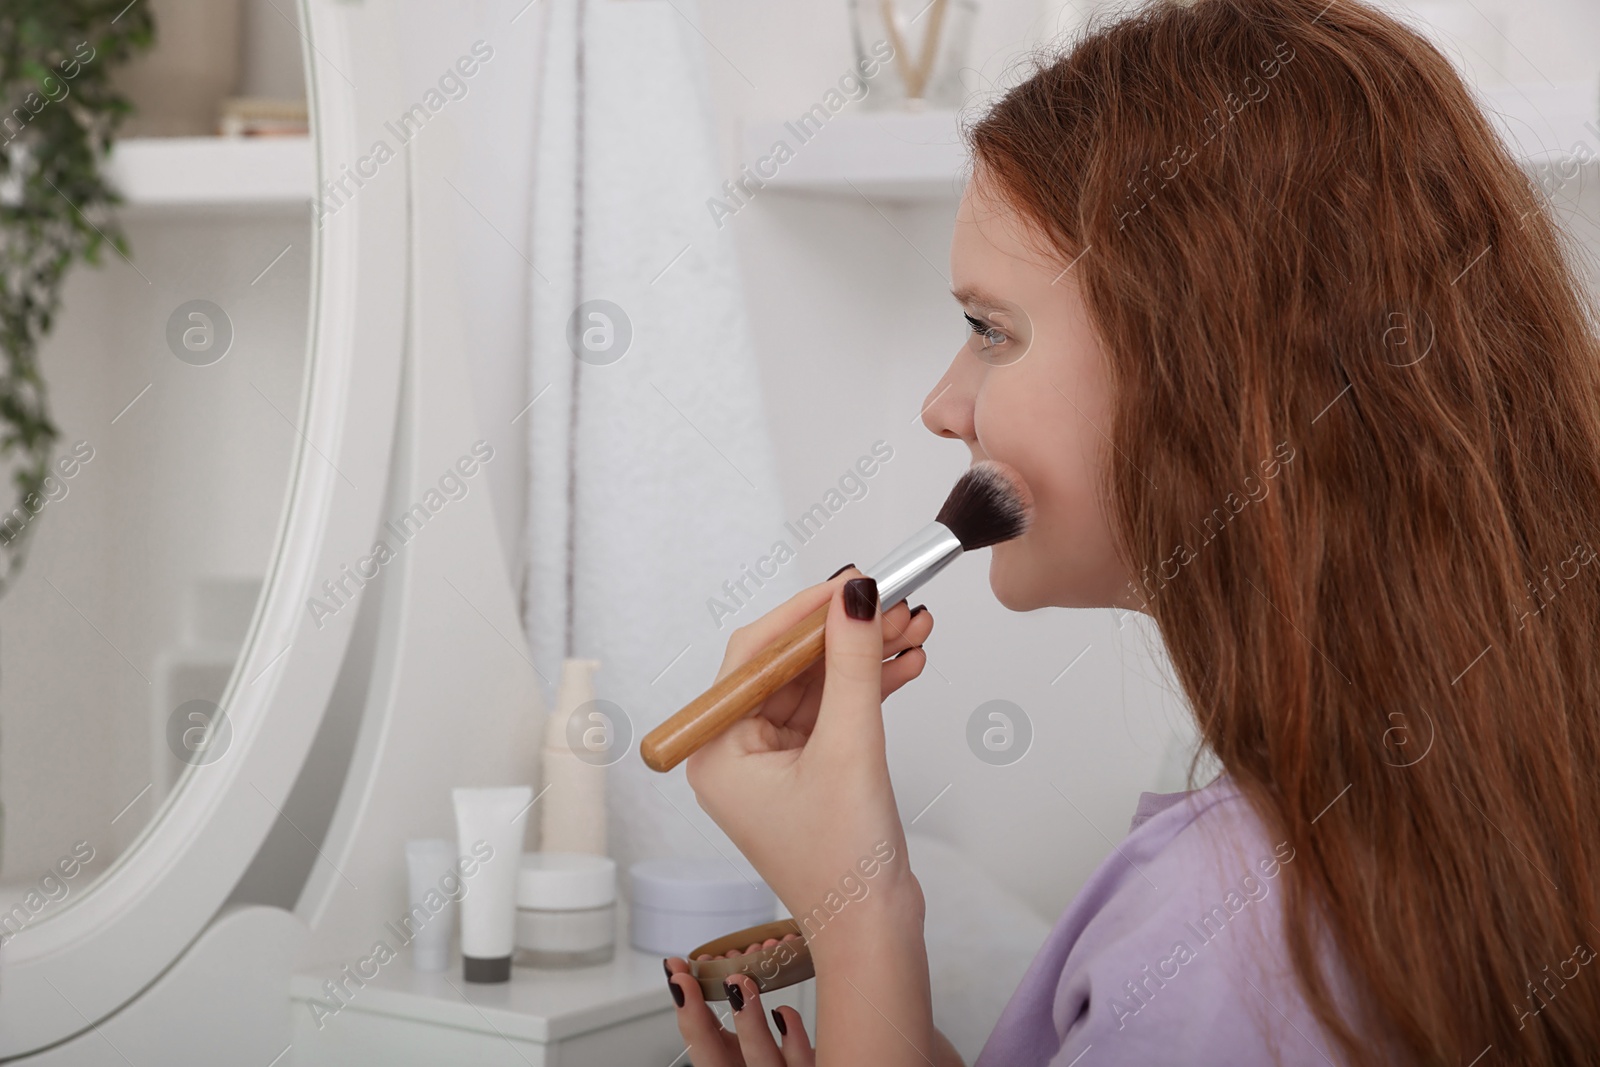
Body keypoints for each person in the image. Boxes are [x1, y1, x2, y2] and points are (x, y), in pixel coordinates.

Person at [664, 0, 1600, 1062]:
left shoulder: (1227, 929)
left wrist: (861, 918)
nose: (942, 403)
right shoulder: (1476, 796)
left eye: (988, 331)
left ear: (1204, 368)